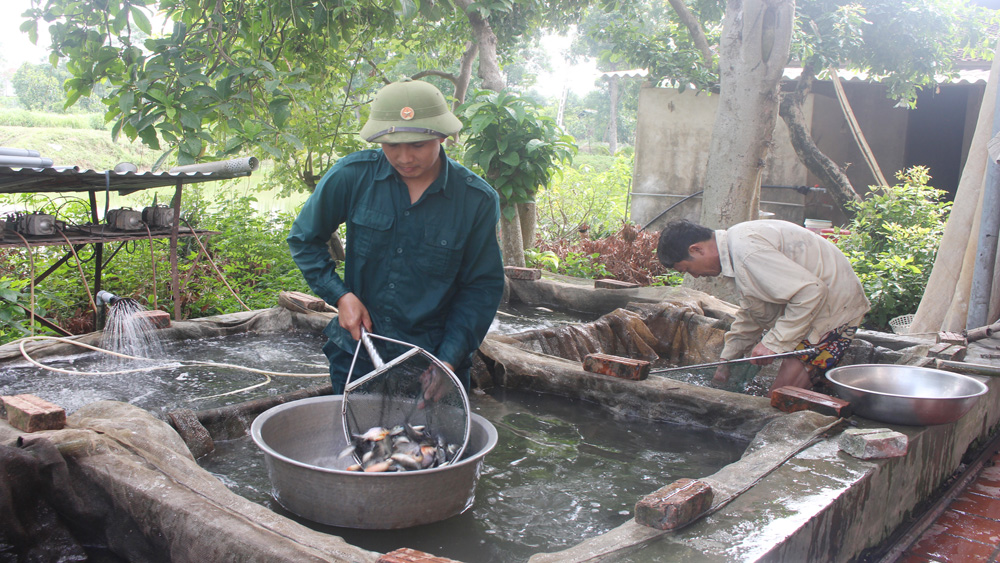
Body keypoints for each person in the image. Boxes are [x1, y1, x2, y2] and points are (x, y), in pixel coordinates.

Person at [287, 78, 505, 395]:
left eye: (417, 145)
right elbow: (305, 239)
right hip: (358, 354)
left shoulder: (476, 200)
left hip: (432, 359)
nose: (404, 157)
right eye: (391, 145)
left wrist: (448, 362)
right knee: (360, 442)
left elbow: (481, 288)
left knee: (428, 444)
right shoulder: (351, 176)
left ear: (441, 136)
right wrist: (341, 296)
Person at [656, 219, 870, 395]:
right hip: (817, 307)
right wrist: (727, 360)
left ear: (697, 249)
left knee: (779, 397)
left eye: (687, 268)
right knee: (798, 392)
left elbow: (811, 290)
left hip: (832, 310)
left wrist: (774, 342)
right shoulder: (736, 249)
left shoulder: (747, 252)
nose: (694, 276)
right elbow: (753, 311)